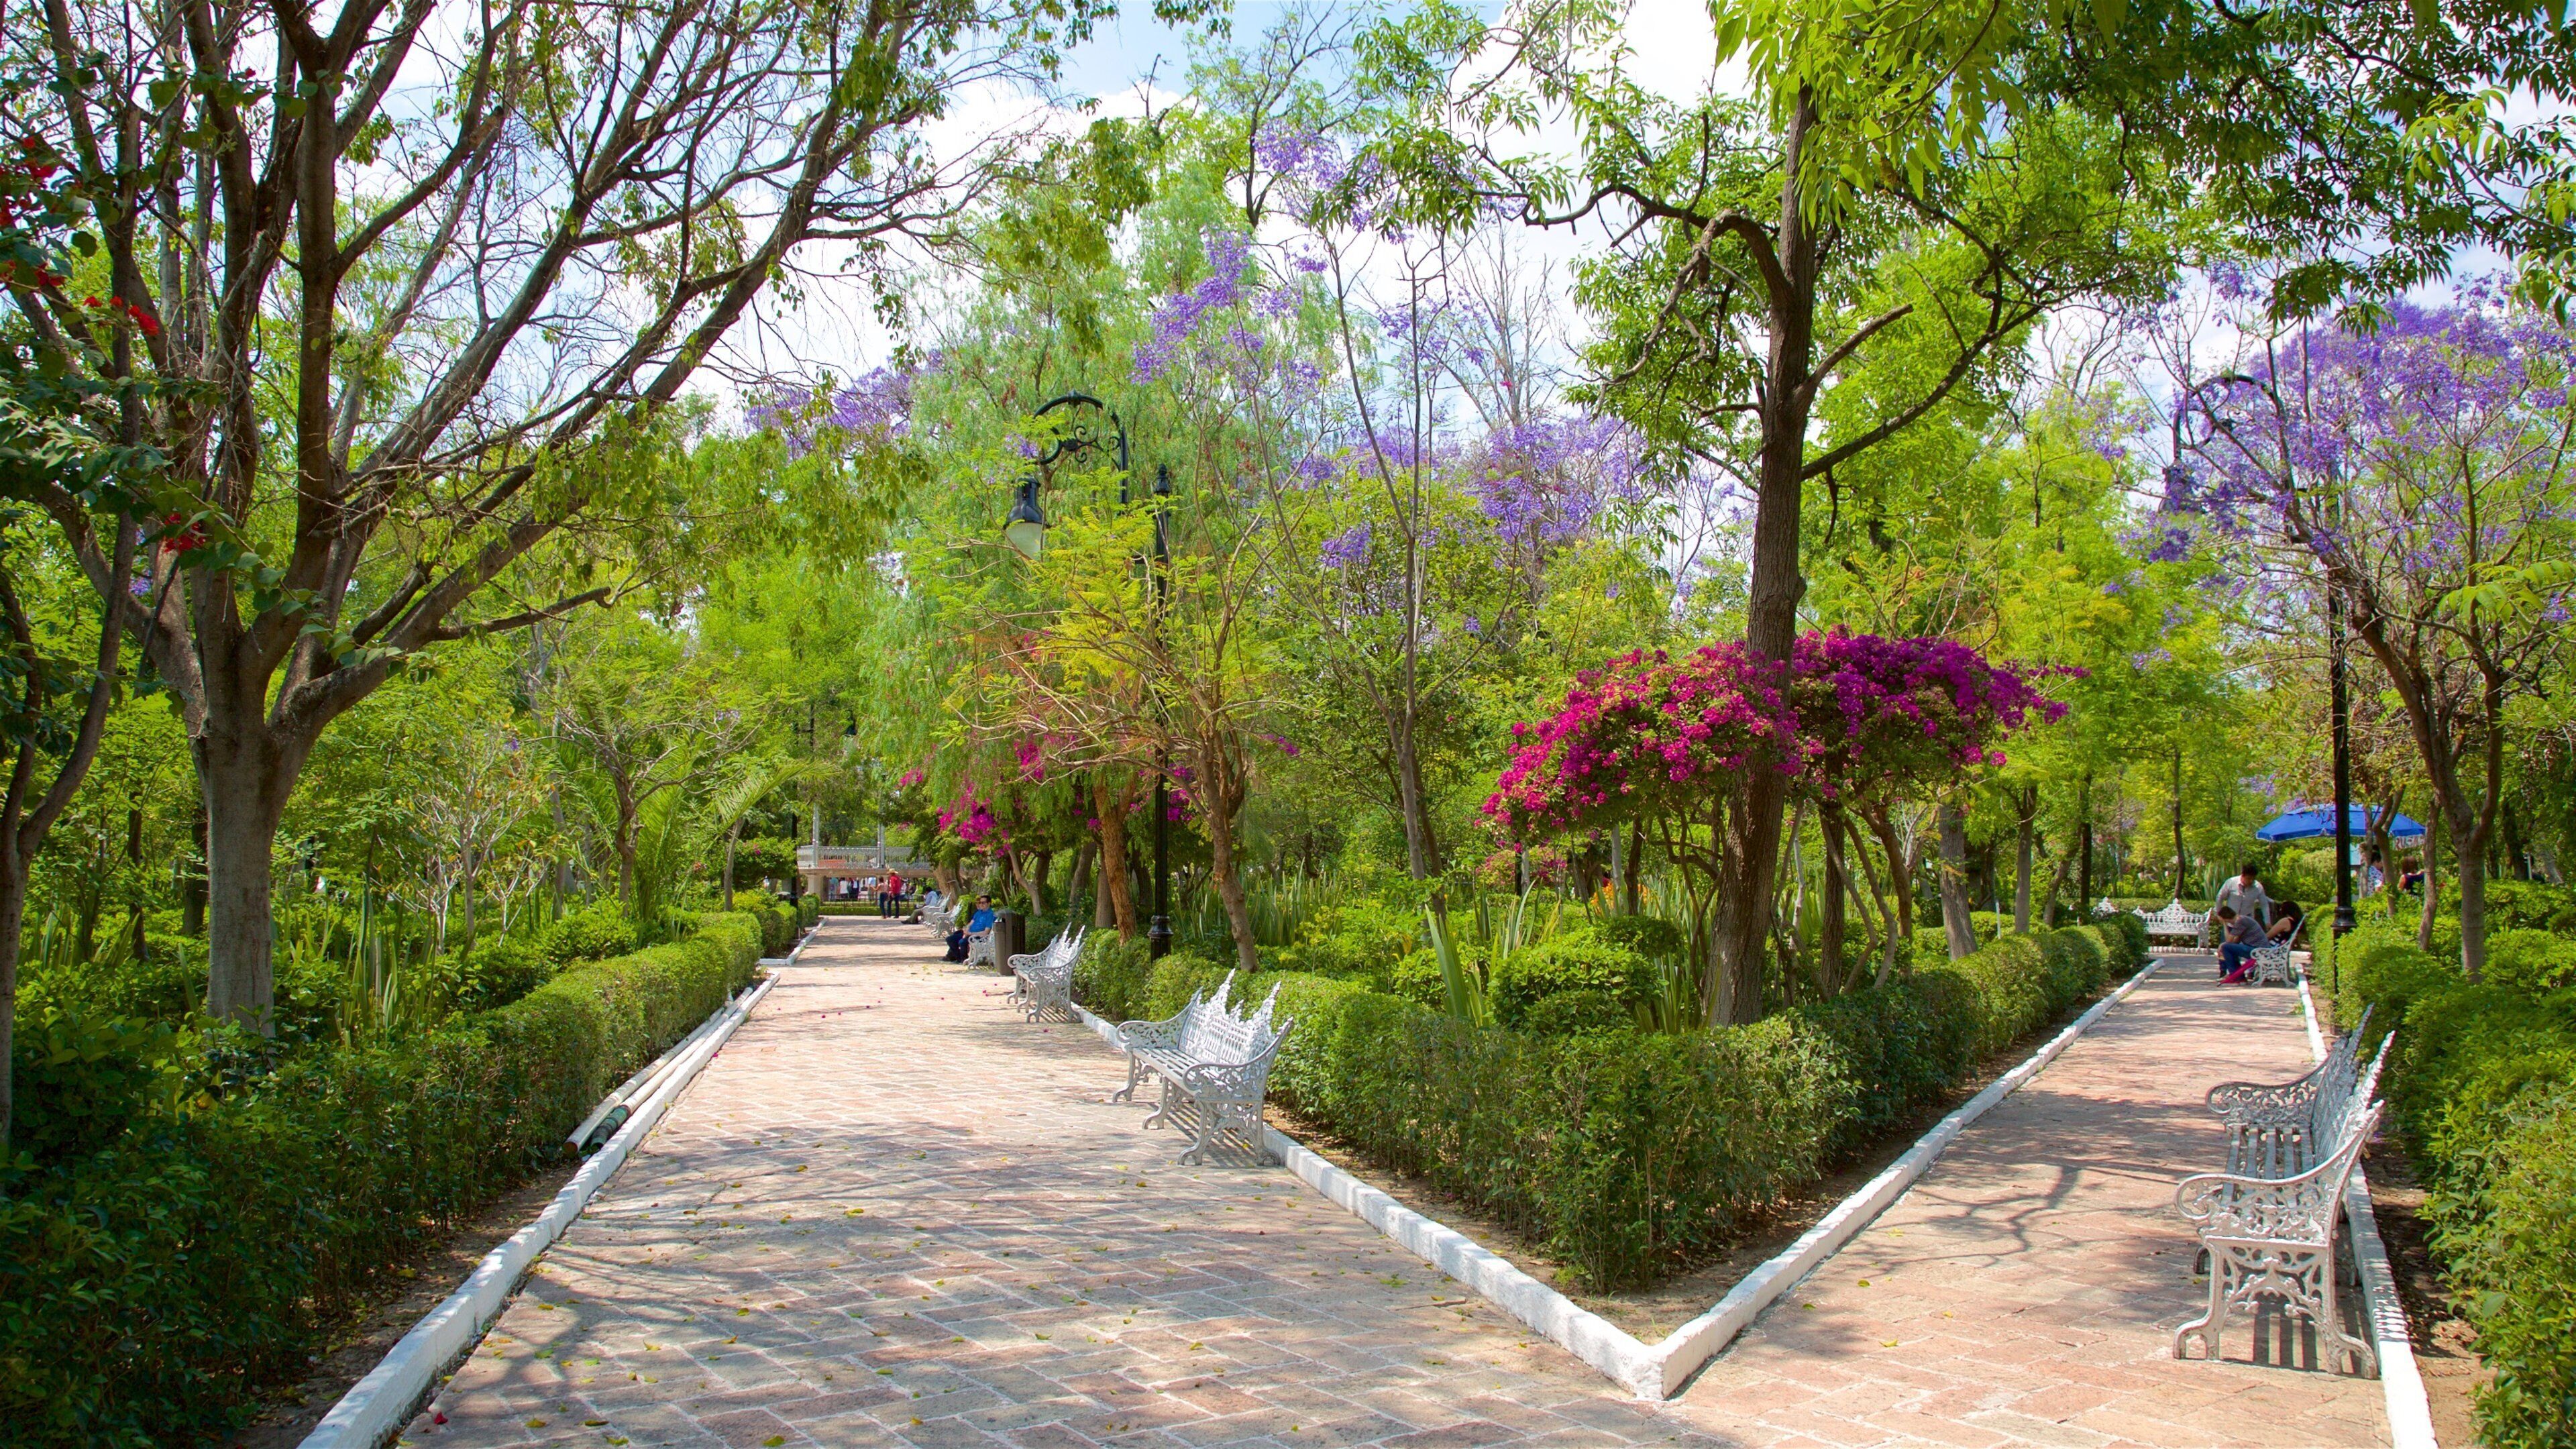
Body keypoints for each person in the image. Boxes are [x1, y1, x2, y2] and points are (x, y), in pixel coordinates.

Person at [2215, 906, 2265, 983]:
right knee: (2229, 948)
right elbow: (2235, 942)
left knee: (2226, 947)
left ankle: (2236, 977)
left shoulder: (2240, 921)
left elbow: (2228, 941)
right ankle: (2238, 977)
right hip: (2259, 949)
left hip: (2258, 950)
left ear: (2225, 918)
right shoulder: (2242, 920)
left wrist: (2224, 924)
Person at [2214, 864, 2271, 930]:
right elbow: (2220, 897)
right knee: (2227, 937)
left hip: (2247, 923)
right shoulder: (2231, 882)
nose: (2251, 881)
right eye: (2249, 878)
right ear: (2242, 875)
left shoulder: (2258, 887)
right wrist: (2219, 914)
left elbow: (2264, 905)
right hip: (2230, 922)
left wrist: (2267, 922)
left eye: (2253, 879)